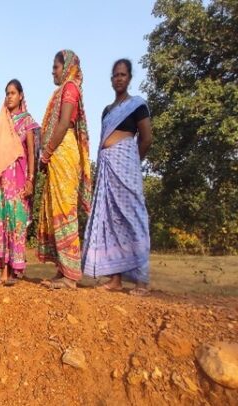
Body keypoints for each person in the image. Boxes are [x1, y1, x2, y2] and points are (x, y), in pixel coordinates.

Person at [82, 59, 153, 296]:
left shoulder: (137, 105)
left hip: (126, 166)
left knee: (133, 218)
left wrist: (131, 161)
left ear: (130, 78)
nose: (119, 78)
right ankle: (115, 279)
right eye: (115, 75)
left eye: (123, 74)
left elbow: (146, 139)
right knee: (111, 221)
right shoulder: (107, 110)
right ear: (111, 79)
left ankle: (141, 281)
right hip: (107, 169)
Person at [38, 50, 92, 290]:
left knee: (65, 208)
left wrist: (47, 152)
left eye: (56, 66)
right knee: (55, 207)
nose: (53, 71)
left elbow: (63, 123)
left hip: (64, 150)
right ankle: (63, 269)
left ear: (66, 67)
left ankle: (71, 275)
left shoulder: (70, 89)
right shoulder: (62, 91)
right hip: (57, 153)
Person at [0, 79, 39, 285]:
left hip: (18, 179)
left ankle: (14, 271)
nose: (9, 96)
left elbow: (32, 153)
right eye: (7, 93)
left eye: (13, 93)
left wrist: (31, 179)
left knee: (15, 222)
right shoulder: (1, 122)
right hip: (0, 179)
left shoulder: (27, 121)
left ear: (21, 95)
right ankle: (3, 274)